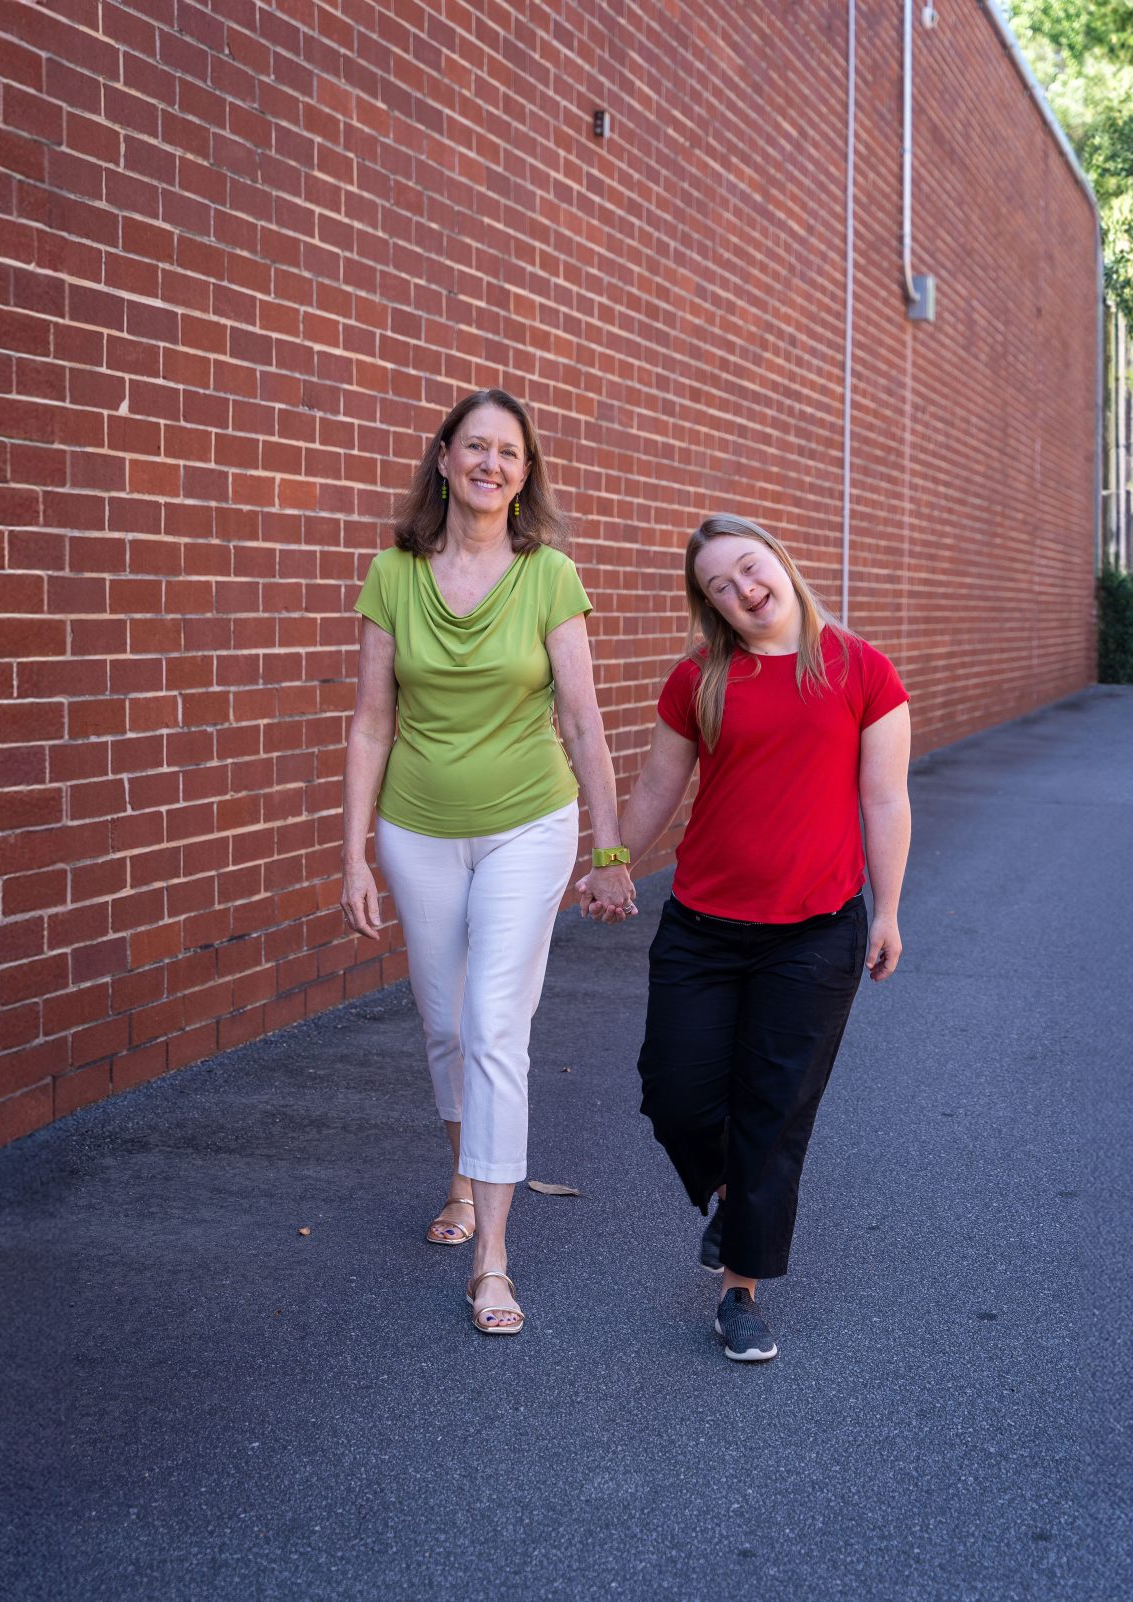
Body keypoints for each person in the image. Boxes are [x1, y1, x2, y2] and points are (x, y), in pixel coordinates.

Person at [340, 388, 635, 1337]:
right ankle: (462, 1178)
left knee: (494, 1026)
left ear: (524, 473)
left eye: (509, 452)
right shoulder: (392, 574)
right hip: (417, 826)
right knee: (444, 1024)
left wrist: (610, 845)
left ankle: (493, 1260)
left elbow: (584, 720)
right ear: (443, 460)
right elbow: (372, 720)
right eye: (476, 447)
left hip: (526, 822)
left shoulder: (550, 576)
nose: (491, 464)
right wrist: (353, 853)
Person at [583, 514, 912, 1363]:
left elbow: (884, 800)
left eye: (749, 568)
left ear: (780, 562)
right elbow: (658, 785)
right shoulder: (699, 678)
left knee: (772, 1113)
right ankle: (736, 1197)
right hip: (703, 924)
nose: (742, 590)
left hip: (814, 933)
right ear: (710, 605)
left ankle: (740, 1293)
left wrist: (888, 910)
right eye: (719, 586)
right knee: (674, 1092)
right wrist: (614, 859)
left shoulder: (860, 669)